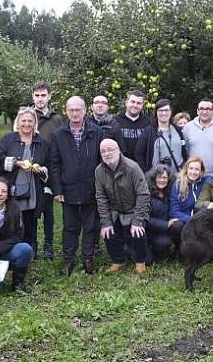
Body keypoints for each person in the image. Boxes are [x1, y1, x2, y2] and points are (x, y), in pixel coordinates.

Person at [49, 96, 105, 276]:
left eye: (78, 110)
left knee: (90, 225)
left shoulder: (96, 132)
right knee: (70, 226)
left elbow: (101, 161)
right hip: (68, 188)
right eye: (71, 110)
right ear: (66, 111)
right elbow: (54, 164)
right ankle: (68, 259)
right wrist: (57, 189)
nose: (75, 113)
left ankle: (88, 258)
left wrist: (100, 187)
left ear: (85, 110)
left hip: (91, 187)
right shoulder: (58, 135)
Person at [0, 108, 51, 256]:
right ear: (18, 122)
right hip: (12, 189)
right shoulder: (8, 139)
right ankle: (10, 254)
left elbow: (49, 165)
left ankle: (30, 255)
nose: (26, 124)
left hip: (33, 189)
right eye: (23, 121)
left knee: (30, 223)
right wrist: (15, 163)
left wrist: (41, 170)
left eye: (30, 121)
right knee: (12, 222)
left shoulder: (41, 142)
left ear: (35, 123)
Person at [95, 139, 151, 274]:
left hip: (134, 208)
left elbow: (143, 194)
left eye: (110, 150)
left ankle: (140, 261)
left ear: (118, 150)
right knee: (108, 231)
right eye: (103, 151)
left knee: (138, 232)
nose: (107, 153)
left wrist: (137, 221)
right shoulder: (99, 171)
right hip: (115, 210)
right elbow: (101, 197)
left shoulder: (132, 168)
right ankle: (118, 261)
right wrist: (106, 222)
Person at [29, 81, 63, 260]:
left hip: (49, 170)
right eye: (37, 95)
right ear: (32, 96)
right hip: (30, 170)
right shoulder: (27, 116)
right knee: (32, 209)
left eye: (43, 95)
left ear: (49, 96)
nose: (40, 99)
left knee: (48, 210)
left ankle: (48, 245)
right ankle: (32, 244)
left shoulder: (56, 119)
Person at [134, 98, 187, 173]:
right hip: (157, 177)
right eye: (160, 110)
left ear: (171, 112)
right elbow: (138, 153)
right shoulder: (149, 132)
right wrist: (145, 173)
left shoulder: (178, 130)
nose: (164, 113)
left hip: (177, 176)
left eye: (166, 110)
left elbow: (184, 151)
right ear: (156, 112)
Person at [144, 164, 182, 263]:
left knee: (176, 228)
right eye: (159, 177)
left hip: (164, 231)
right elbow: (145, 218)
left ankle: (178, 250)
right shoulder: (146, 193)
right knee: (148, 261)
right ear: (154, 178)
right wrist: (166, 224)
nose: (162, 180)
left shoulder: (171, 192)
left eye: (164, 177)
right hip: (149, 231)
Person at [169, 156, 208, 235]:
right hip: (184, 220)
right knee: (176, 226)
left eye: (197, 169)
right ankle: (177, 246)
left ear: (201, 171)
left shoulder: (205, 182)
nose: (193, 172)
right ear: (186, 169)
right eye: (191, 168)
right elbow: (174, 211)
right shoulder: (178, 184)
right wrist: (191, 220)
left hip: (200, 220)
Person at [183, 98, 213, 174]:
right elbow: (186, 150)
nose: (204, 112)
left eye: (208, 109)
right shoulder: (188, 127)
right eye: (201, 109)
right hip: (194, 174)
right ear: (197, 111)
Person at [114, 90, 151, 160]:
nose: (135, 105)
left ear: (142, 106)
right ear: (126, 103)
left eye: (139, 103)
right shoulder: (115, 121)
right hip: (121, 165)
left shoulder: (148, 122)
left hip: (142, 166)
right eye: (132, 102)